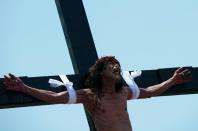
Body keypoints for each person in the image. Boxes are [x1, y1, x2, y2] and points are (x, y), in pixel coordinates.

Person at [3, 56, 192, 131]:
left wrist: (173, 80)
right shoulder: (91, 95)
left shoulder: (123, 92)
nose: (117, 66)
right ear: (101, 72)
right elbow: (55, 97)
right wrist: (23, 87)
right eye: (111, 65)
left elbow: (149, 92)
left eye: (118, 64)